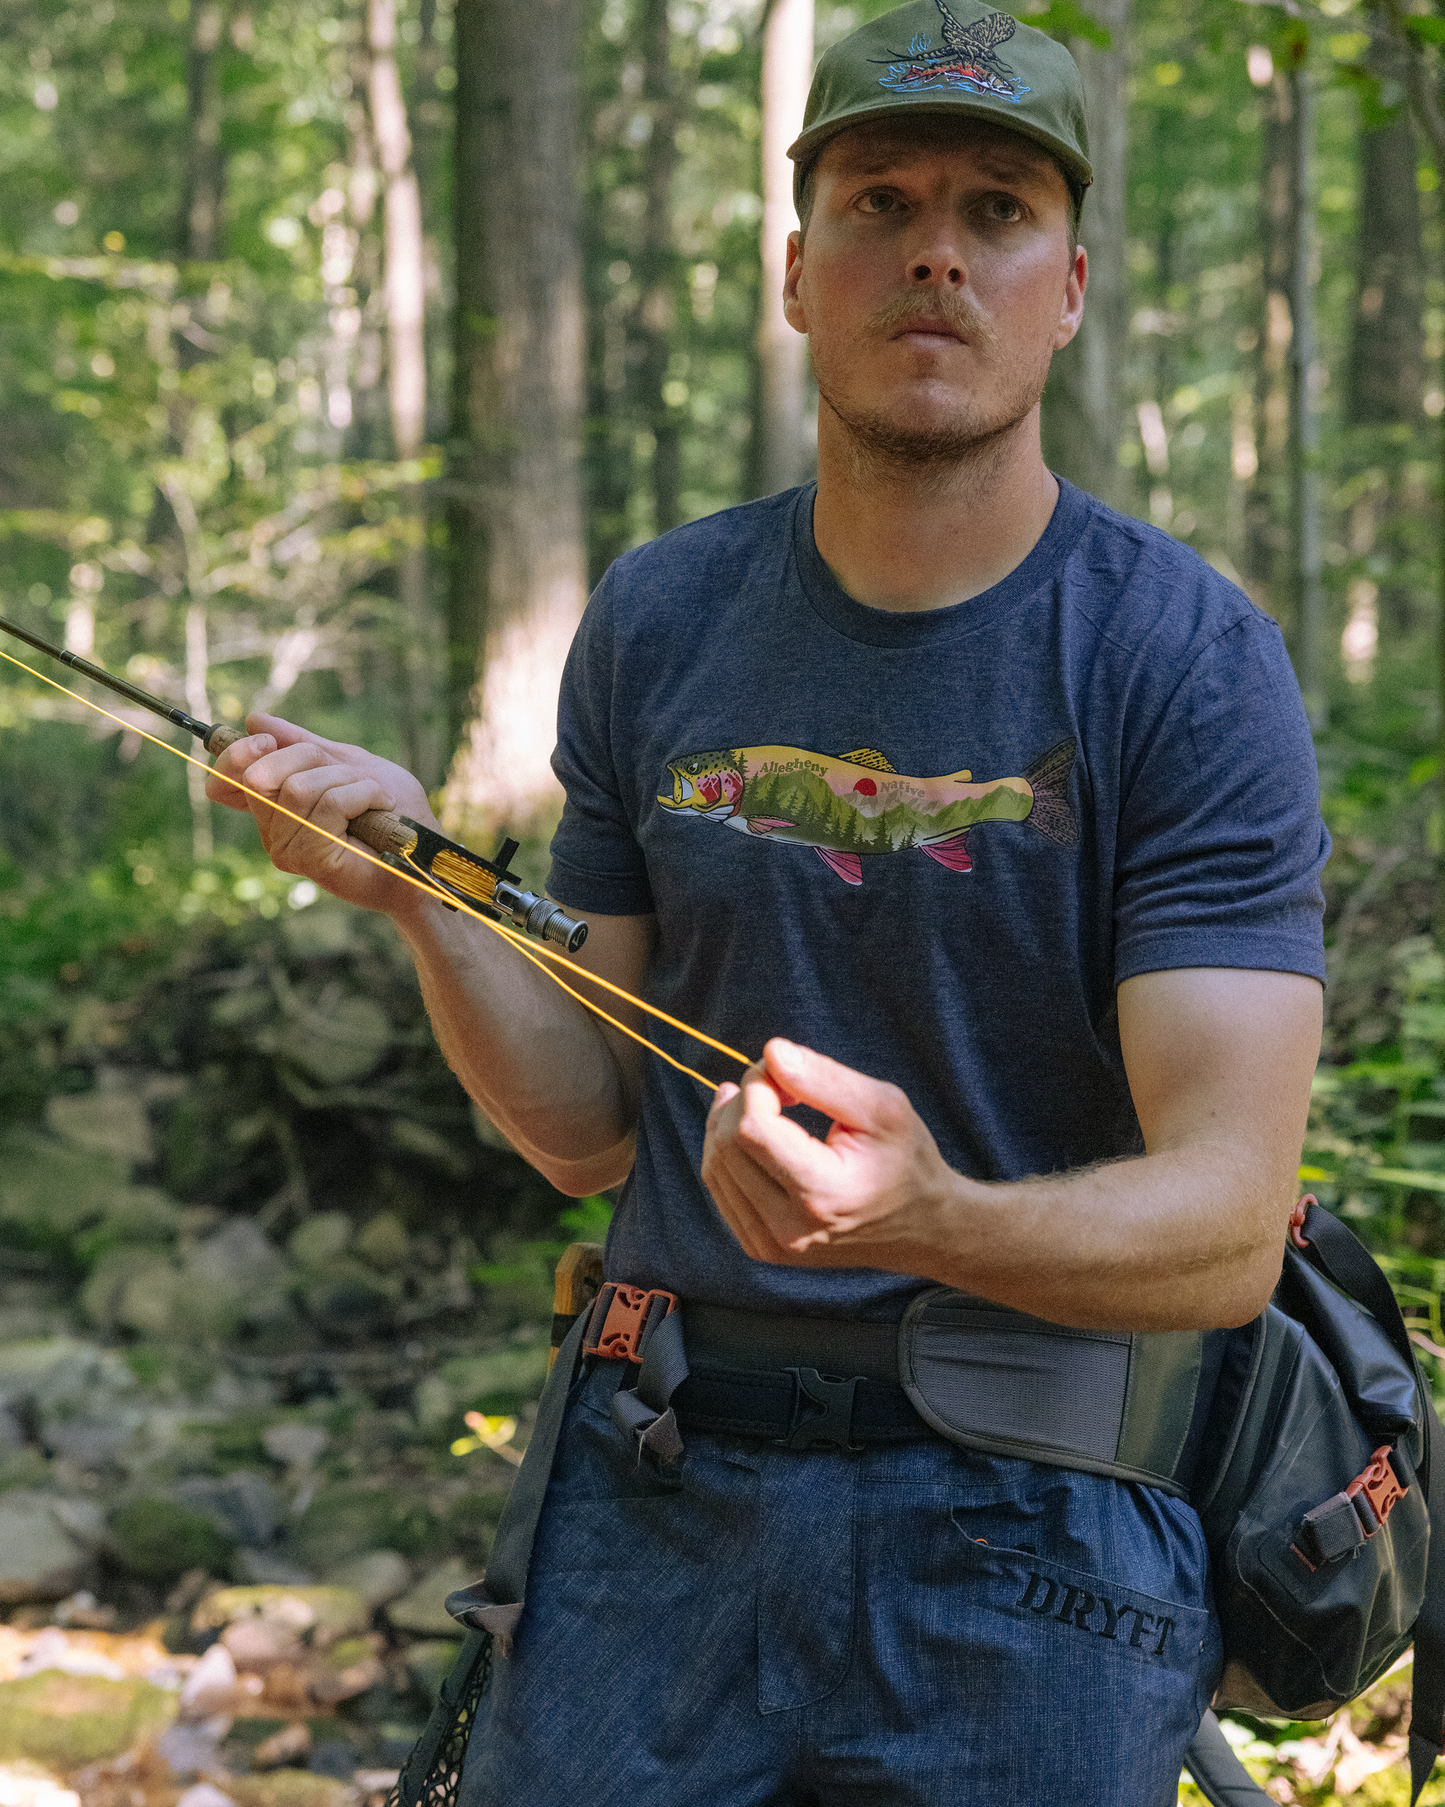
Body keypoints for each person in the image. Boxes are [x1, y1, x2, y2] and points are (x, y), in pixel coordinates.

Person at [208, 1, 1329, 1799]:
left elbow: (1225, 1224)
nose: (936, 250)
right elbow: (584, 1126)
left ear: (1072, 284)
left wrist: (932, 1213)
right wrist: (420, 891)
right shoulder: (661, 616)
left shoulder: (1182, 662)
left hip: (1041, 1537)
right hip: (655, 1501)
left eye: (997, 207)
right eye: (878, 202)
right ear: (799, 272)